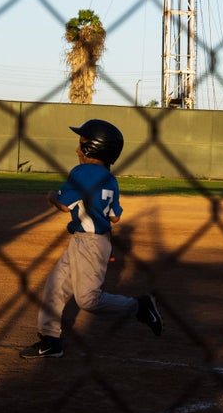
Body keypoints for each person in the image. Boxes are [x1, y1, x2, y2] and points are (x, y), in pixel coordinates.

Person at [19, 119, 162, 359]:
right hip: (92, 241)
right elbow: (115, 217)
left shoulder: (82, 172)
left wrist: (52, 197)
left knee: (87, 299)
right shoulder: (110, 178)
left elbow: (64, 206)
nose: (77, 149)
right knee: (55, 285)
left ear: (92, 148)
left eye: (81, 143)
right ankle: (50, 340)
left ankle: (139, 307)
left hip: (88, 244)